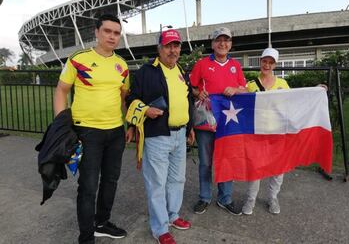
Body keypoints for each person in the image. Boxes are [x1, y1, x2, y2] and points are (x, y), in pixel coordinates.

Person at [53, 14, 131, 244]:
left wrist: (129, 125)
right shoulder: (79, 59)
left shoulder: (122, 65)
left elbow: (123, 97)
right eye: (107, 31)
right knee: (88, 187)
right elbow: (61, 91)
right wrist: (61, 127)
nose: (112, 36)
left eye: (116, 33)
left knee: (111, 181)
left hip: (116, 132)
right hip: (87, 133)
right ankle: (86, 237)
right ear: (96, 32)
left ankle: (101, 223)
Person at [126, 29, 195, 244]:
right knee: (156, 183)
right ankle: (160, 228)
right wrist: (145, 110)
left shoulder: (181, 71)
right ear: (159, 48)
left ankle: (173, 216)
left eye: (176, 46)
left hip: (180, 134)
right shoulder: (146, 72)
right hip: (157, 136)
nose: (173, 50)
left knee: (177, 179)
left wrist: (190, 126)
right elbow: (131, 99)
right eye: (168, 46)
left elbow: (188, 100)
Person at [190, 27, 247, 215]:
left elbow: (244, 89)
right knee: (205, 162)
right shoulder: (202, 64)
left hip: (228, 121)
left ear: (230, 44)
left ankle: (225, 198)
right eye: (218, 40)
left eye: (226, 40)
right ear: (212, 43)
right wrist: (200, 92)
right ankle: (204, 197)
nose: (222, 44)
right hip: (206, 120)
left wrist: (236, 89)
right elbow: (192, 89)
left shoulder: (236, 65)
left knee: (226, 160)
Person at [242, 47, 289, 215]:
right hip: (257, 133)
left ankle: (273, 198)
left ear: (275, 65)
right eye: (264, 61)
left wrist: (316, 90)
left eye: (271, 62)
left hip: (277, 133)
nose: (267, 65)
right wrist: (233, 90)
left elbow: (294, 101)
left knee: (277, 168)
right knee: (255, 167)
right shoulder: (251, 84)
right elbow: (242, 102)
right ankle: (250, 199)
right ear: (260, 62)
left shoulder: (283, 84)